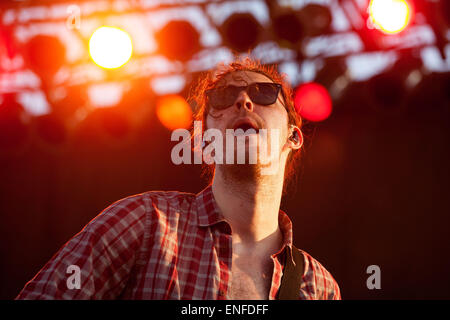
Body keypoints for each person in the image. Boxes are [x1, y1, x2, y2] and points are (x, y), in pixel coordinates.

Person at [16, 58, 341, 300]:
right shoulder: (145, 224)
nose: (244, 101)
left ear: (293, 136)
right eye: (223, 98)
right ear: (203, 143)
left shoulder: (318, 287)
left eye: (265, 94)